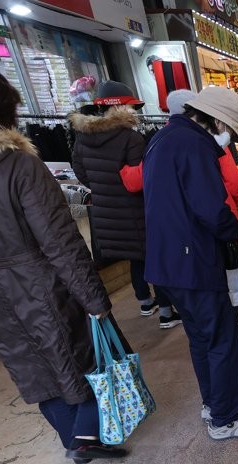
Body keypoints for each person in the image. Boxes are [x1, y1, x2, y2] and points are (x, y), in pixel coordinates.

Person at [0, 64, 125, 464]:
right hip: (40, 281)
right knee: (83, 356)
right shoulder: (18, 165)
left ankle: (73, 437)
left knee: (32, 363)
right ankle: (86, 435)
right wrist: (95, 299)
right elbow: (59, 240)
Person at [142, 86, 238, 440]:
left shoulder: (164, 138)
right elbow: (212, 207)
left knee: (200, 337)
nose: (228, 139)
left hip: (165, 262)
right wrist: (236, 233)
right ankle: (225, 419)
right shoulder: (194, 145)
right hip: (192, 260)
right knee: (222, 337)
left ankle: (213, 403)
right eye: (229, 129)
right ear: (215, 120)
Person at [70, 81, 180, 329]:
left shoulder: (83, 138)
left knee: (135, 258)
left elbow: (81, 172)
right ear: (122, 109)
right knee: (155, 257)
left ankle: (144, 301)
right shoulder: (131, 138)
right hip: (136, 209)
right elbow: (141, 178)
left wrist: (104, 189)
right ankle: (166, 313)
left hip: (106, 211)